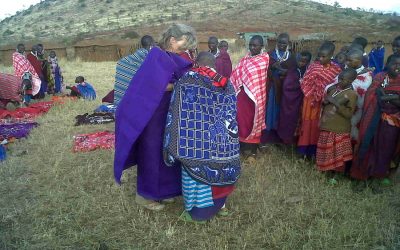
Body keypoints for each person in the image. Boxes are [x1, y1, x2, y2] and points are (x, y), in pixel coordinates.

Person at [114, 24, 196, 211]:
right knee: (151, 153)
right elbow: (152, 86)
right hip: (152, 114)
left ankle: (163, 192)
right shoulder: (156, 56)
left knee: (167, 152)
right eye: (183, 45)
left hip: (167, 112)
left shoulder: (171, 56)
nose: (185, 50)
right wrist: (178, 84)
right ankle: (144, 196)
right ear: (172, 40)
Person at [164, 52, 240, 222]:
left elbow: (176, 113)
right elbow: (232, 113)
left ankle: (197, 213)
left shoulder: (186, 81)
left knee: (194, 171)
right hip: (222, 142)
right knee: (222, 171)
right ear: (214, 64)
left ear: (196, 63)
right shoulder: (227, 83)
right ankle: (221, 207)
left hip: (196, 142)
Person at [351, 55, 400, 188]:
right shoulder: (380, 77)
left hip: (392, 123)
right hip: (374, 118)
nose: (397, 67)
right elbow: (371, 94)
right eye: (394, 64)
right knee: (368, 144)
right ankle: (361, 177)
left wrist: (387, 96)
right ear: (387, 64)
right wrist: (387, 97)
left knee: (385, 149)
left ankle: (376, 178)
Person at [298, 41, 341, 158]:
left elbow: (336, 86)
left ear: (331, 55)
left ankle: (313, 152)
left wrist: (323, 95)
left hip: (323, 103)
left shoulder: (336, 70)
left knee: (318, 126)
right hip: (309, 101)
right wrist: (312, 93)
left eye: (324, 56)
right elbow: (305, 81)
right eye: (319, 56)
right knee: (307, 125)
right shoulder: (313, 66)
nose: (320, 58)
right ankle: (303, 151)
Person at [230, 35, 270, 158]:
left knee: (253, 120)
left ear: (261, 46)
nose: (252, 47)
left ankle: (252, 147)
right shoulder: (245, 59)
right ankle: (242, 145)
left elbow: (256, 78)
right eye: (251, 45)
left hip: (255, 98)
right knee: (241, 120)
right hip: (242, 96)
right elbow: (236, 73)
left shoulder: (264, 59)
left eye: (255, 45)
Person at [316, 68, 358, 183]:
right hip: (327, 126)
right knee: (326, 152)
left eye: (344, 80)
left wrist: (334, 102)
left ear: (351, 81)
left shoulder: (352, 94)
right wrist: (325, 102)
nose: (340, 81)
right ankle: (325, 171)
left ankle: (336, 176)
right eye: (340, 78)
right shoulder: (333, 89)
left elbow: (349, 114)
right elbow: (326, 103)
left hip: (339, 129)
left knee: (337, 154)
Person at [264, 33, 294, 143]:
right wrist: (271, 67)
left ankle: (279, 134)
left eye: (284, 43)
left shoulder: (291, 57)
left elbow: (294, 72)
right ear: (277, 42)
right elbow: (264, 69)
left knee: (282, 109)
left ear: (288, 43)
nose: (281, 44)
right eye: (280, 42)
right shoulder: (270, 54)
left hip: (285, 89)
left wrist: (286, 73)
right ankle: (268, 133)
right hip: (272, 87)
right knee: (271, 108)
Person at [276, 51, 312, 144]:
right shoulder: (293, 70)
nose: (301, 63)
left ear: (308, 62)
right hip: (289, 100)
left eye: (304, 62)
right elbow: (287, 86)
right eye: (300, 61)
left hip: (302, 100)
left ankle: (295, 140)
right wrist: (299, 86)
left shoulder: (309, 71)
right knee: (287, 119)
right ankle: (284, 140)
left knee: (298, 120)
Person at [114, 35, 155, 106]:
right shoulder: (150, 65)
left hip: (118, 104)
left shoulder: (122, 62)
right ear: (152, 46)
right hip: (135, 106)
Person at [345, 49, 373, 142]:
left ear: (359, 60)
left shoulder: (367, 76)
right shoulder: (346, 69)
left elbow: (361, 94)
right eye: (346, 60)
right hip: (343, 109)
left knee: (354, 134)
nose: (347, 62)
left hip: (358, 110)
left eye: (350, 60)